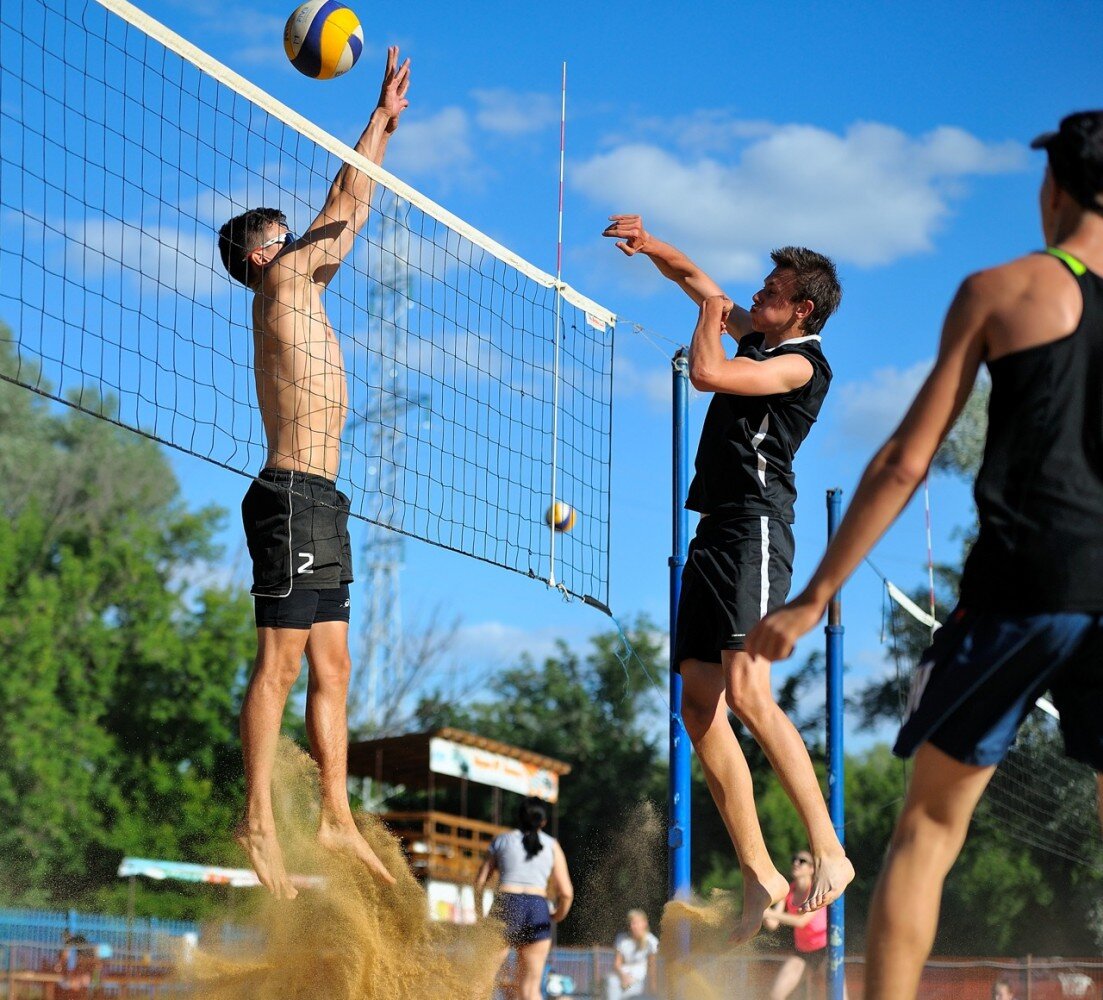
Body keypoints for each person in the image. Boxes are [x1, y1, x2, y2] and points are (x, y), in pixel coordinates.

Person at [746, 110, 1103, 1000]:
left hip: (1025, 578)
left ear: (1050, 187)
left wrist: (815, 594)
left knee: (928, 834)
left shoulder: (1003, 289)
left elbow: (905, 458)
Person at [602, 217, 852, 939]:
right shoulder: (758, 331)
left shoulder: (802, 364)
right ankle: (758, 873)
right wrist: (651, 246)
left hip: (756, 529)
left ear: (800, 308)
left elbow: (707, 372)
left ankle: (829, 850)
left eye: (770, 291)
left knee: (748, 692)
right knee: (698, 706)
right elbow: (694, 280)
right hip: (714, 530)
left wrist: (711, 316)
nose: (754, 294)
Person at [216, 47, 411, 899]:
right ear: (262, 255)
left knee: (333, 671)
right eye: (282, 235)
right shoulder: (281, 286)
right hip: (288, 496)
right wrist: (375, 122)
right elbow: (345, 205)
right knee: (282, 667)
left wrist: (384, 134)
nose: (298, 238)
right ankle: (257, 818)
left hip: (325, 502)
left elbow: (344, 213)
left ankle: (332, 814)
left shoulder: (305, 288)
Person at [475, 796, 574, 1000]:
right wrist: (556, 915)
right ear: (543, 822)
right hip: (538, 909)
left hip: (506, 905)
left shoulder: (501, 840)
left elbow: (479, 883)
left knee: (483, 982)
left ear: (519, 818)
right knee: (529, 989)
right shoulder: (552, 845)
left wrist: (480, 916)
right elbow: (566, 893)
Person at [762, 851, 846, 1000]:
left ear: (812, 869)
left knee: (839, 996)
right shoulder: (789, 890)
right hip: (803, 953)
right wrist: (762, 907)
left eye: (802, 861)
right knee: (774, 995)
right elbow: (772, 924)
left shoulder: (817, 890)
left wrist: (769, 913)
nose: (796, 863)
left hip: (825, 951)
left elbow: (801, 921)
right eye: (794, 859)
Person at [605, 909, 659, 1000]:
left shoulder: (651, 942)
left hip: (641, 980)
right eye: (631, 923)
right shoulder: (622, 939)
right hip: (624, 977)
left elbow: (653, 966)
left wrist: (653, 986)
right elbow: (617, 963)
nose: (633, 926)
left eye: (636, 923)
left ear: (644, 923)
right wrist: (623, 976)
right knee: (611, 982)